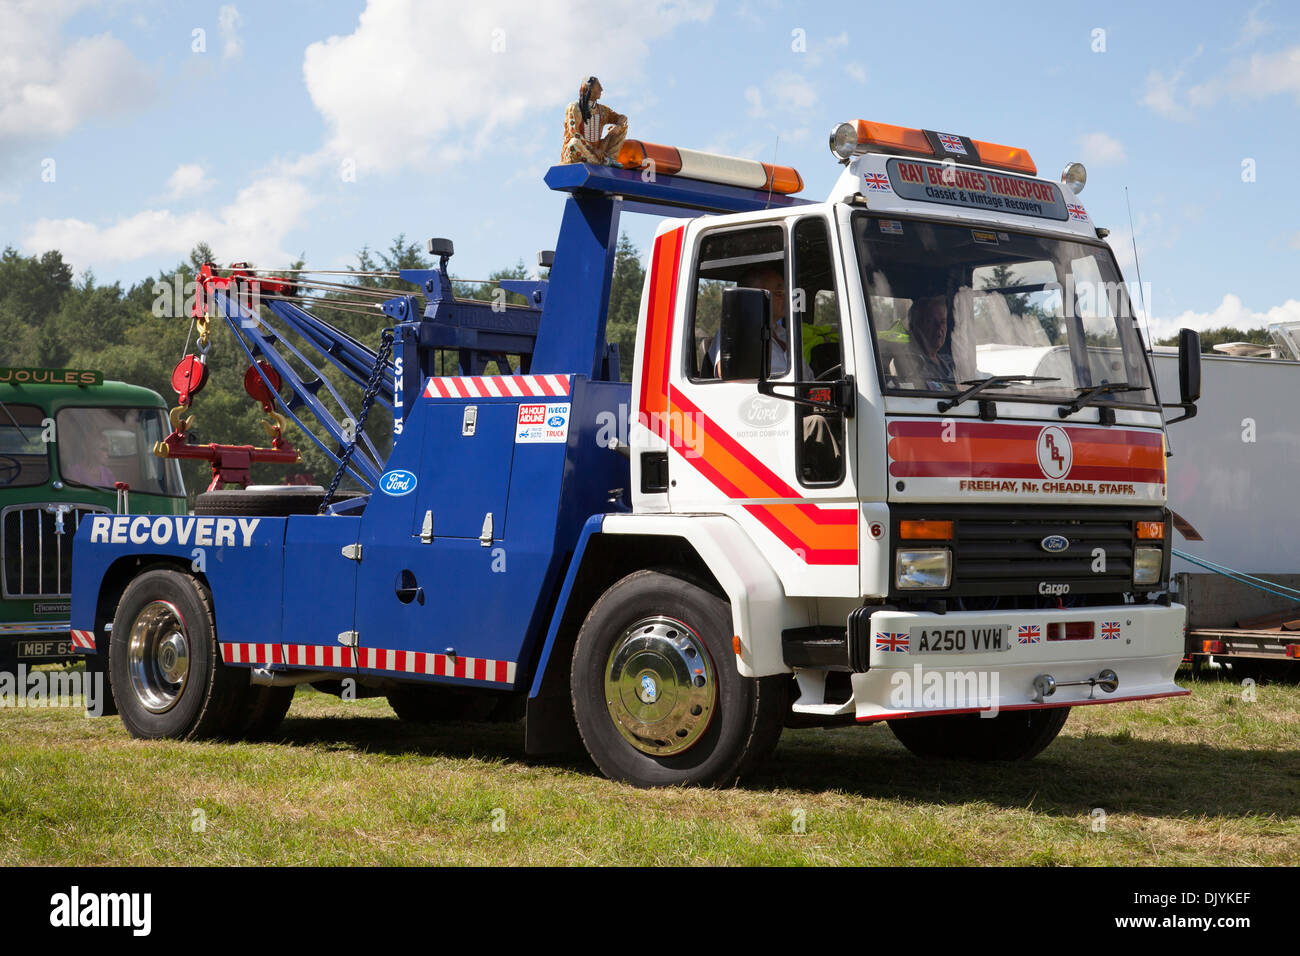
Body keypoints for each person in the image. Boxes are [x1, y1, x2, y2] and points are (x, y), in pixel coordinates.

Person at [561, 76, 628, 165]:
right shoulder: (574, 107)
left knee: (623, 127)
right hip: (582, 149)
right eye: (598, 86)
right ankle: (604, 162)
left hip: (600, 150)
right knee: (573, 144)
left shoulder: (602, 110)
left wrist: (618, 126)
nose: (601, 89)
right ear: (589, 89)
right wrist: (593, 150)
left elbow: (622, 117)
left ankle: (608, 158)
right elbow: (574, 133)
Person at [902, 296, 956, 388]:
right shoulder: (910, 363)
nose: (939, 327)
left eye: (942, 322)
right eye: (931, 321)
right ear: (916, 327)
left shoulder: (950, 362)